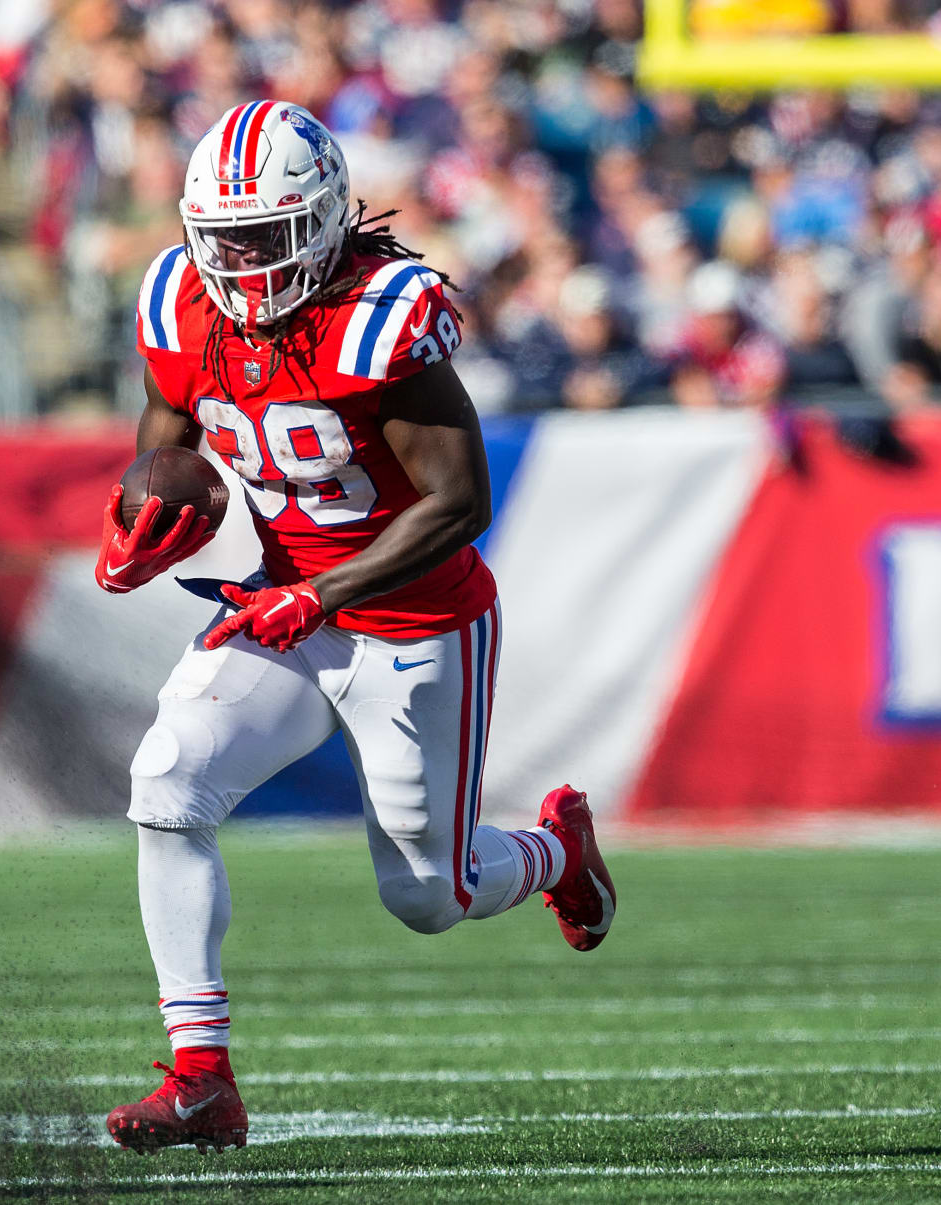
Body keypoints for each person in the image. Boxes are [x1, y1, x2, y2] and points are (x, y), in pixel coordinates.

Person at [94, 101, 618, 1154]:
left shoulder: (380, 314)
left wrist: (323, 596)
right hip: (286, 606)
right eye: (225, 239)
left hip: (414, 621)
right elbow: (170, 441)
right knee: (165, 783)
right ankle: (202, 1076)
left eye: (266, 236)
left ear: (326, 221)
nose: (242, 262)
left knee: (430, 893)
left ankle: (557, 850)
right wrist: (143, 520)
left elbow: (459, 500)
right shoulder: (180, 302)